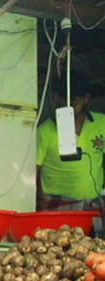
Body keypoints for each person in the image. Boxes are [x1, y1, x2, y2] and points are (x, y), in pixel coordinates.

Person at [36, 70, 105, 227]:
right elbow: (32, 175)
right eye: (60, 104)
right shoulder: (44, 132)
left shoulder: (102, 124)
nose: (66, 109)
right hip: (56, 207)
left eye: (72, 104)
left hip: (91, 208)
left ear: (86, 99)